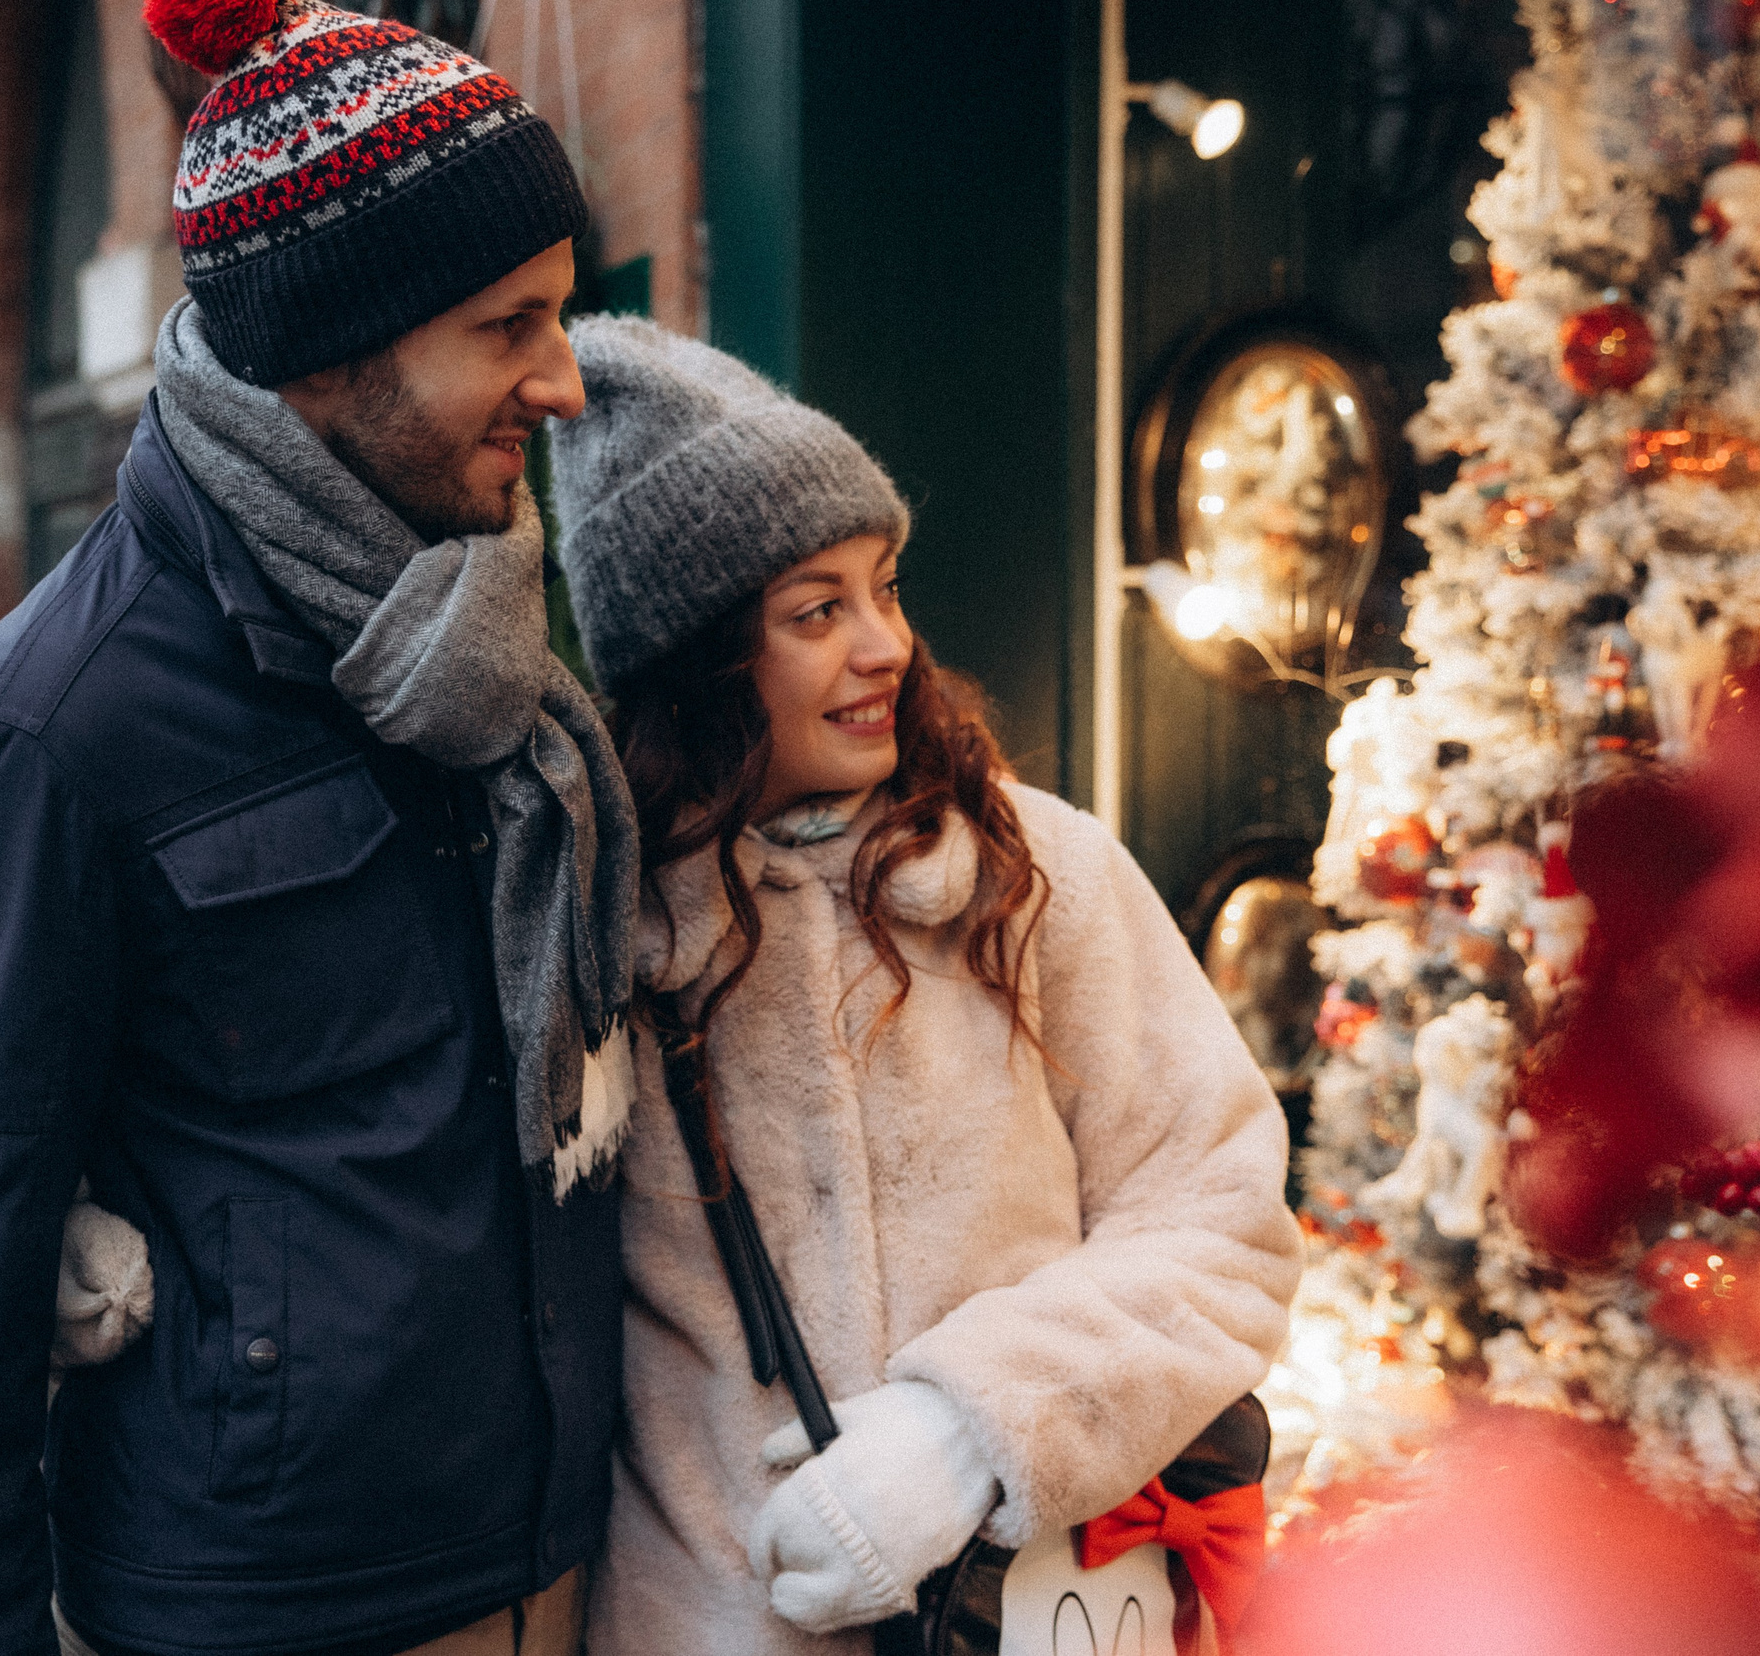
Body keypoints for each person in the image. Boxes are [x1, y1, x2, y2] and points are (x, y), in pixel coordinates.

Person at [0, 0, 639, 1653]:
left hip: (561, 1563)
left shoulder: (482, 626)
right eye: (510, 325)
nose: (565, 383)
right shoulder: (55, 732)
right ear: (323, 352)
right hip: (267, 1610)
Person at [545, 316, 1304, 1653]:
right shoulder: (594, 932)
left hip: (1034, 1611)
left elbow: (1219, 1219)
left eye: (885, 586)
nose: (886, 644)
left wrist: (967, 1432)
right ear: (704, 660)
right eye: (817, 610)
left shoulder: (1038, 874)